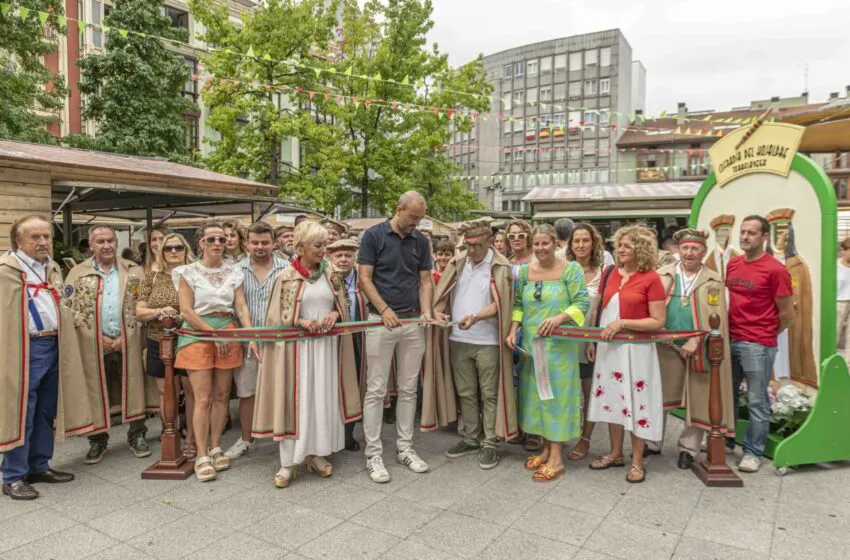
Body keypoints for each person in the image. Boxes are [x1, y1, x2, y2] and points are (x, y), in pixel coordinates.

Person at [252, 221, 362, 488]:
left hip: (325, 349)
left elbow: (342, 305)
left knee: (321, 398)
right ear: (301, 247)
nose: (324, 250)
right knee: (295, 400)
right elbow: (275, 316)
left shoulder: (331, 274)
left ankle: (317, 453)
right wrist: (300, 322)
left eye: (324, 245)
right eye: (318, 245)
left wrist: (335, 314)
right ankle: (288, 462)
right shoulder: (286, 276)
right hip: (295, 352)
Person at [0, 216, 88, 500]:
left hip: (53, 343)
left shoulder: (51, 268)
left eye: (46, 237)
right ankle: (12, 476)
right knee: (21, 411)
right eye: (34, 237)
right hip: (23, 347)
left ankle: (38, 465)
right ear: (18, 242)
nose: (42, 242)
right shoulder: (5, 271)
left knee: (45, 410)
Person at [174, 221, 258, 482]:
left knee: (223, 395)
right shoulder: (187, 272)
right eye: (211, 240)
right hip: (198, 333)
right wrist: (213, 333)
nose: (218, 244)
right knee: (202, 398)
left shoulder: (234, 272)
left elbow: (241, 307)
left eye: (222, 239)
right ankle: (201, 454)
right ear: (201, 243)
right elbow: (186, 310)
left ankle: (216, 445)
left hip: (229, 330)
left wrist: (250, 335)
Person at [358, 190, 433, 483]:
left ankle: (405, 448)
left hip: (412, 319)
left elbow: (425, 280)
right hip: (380, 320)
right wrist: (383, 308)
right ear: (399, 209)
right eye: (413, 217)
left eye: (420, 218)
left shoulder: (421, 241)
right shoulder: (373, 236)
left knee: (409, 388)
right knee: (376, 389)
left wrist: (426, 310)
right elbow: (365, 277)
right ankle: (373, 454)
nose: (416, 223)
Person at [64, 225, 155, 465]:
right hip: (93, 342)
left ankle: (137, 434)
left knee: (135, 385)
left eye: (110, 241)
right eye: (100, 242)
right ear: (91, 245)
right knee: (94, 388)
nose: (106, 246)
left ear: (116, 243)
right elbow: (69, 309)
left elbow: (144, 304)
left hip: (129, 339)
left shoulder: (134, 271)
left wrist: (126, 337)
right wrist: (97, 337)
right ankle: (97, 440)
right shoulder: (77, 273)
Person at [431, 219, 518, 470]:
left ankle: (490, 442)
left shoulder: (501, 266)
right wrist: (439, 310)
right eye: (469, 246)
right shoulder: (457, 262)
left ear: (490, 242)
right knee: (466, 393)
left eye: (478, 246)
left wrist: (477, 316)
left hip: (488, 340)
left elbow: (503, 302)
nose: (473, 251)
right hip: (458, 338)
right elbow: (443, 292)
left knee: (489, 393)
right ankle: (471, 437)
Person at [506, 223, 589, 481]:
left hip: (559, 348)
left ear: (555, 244)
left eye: (546, 243)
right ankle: (545, 448)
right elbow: (519, 304)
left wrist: (560, 318)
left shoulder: (570, 269)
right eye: (537, 244)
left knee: (555, 398)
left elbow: (582, 302)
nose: (541, 248)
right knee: (536, 397)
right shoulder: (524, 271)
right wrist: (513, 330)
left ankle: (556, 457)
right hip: (533, 346)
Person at [587, 224, 667, 483]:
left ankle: (637, 461)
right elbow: (600, 309)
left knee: (636, 401)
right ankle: (614, 453)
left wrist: (623, 323)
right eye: (619, 245)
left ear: (640, 249)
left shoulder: (651, 278)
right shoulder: (609, 272)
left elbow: (657, 321)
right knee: (613, 398)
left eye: (626, 246)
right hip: (609, 348)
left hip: (637, 351)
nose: (620, 250)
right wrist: (592, 339)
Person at [656, 229, 735, 469]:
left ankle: (688, 449)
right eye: (685, 248)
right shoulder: (662, 275)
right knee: (658, 394)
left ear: (704, 251)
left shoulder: (713, 280)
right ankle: (651, 442)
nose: (689, 253)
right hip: (664, 345)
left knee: (698, 396)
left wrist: (698, 340)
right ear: (678, 250)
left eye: (695, 249)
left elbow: (717, 318)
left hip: (697, 348)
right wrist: (662, 335)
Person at [726, 215, 793, 473]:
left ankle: (753, 452)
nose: (744, 237)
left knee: (756, 400)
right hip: (730, 338)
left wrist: (765, 336)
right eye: (742, 232)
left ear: (764, 237)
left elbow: (787, 314)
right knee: (728, 395)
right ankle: (728, 441)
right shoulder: (733, 265)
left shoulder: (775, 270)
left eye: (751, 233)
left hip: (758, 343)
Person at [225, 222, 289, 460]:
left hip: (279, 341)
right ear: (247, 243)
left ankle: (284, 436)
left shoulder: (287, 268)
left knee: (282, 390)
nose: (260, 247)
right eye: (255, 242)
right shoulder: (235, 270)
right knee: (246, 392)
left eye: (265, 242)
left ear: (274, 242)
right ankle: (246, 439)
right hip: (246, 342)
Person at [136, 233, 198, 458]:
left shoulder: (194, 275)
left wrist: (180, 315)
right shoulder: (151, 278)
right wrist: (158, 312)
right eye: (168, 248)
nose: (173, 252)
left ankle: (192, 437)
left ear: (185, 250)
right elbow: (139, 311)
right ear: (161, 252)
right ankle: (169, 431)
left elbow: (202, 307)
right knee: (165, 391)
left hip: (187, 339)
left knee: (191, 391)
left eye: (178, 248)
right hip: (158, 341)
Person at [565, 223, 607, 462]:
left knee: (589, 391)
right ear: (570, 245)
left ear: (594, 243)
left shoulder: (605, 271)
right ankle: (558, 434)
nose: (581, 245)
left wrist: (592, 340)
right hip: (566, 339)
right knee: (564, 390)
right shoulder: (564, 269)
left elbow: (601, 309)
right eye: (576, 241)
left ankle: (586, 438)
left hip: (591, 341)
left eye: (585, 240)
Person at [766, 208, 816, 385]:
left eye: (787, 235)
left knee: (786, 347)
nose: (783, 238)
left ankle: (786, 378)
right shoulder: (766, 258)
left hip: (787, 313)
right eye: (780, 234)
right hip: (768, 313)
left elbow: (802, 290)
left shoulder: (797, 263)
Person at [328, 238, 367, 451]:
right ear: (330, 257)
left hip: (358, 338)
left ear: (354, 257)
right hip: (333, 340)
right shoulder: (325, 278)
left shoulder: (363, 277)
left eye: (348, 256)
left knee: (353, 386)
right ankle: (330, 434)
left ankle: (348, 434)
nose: (343, 260)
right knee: (332, 387)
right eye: (338, 256)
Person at [705, 214, 739, 281]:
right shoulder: (709, 260)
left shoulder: (737, 257)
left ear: (729, 236)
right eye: (719, 234)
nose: (722, 238)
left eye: (724, 234)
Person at [838, 237, 850, 362]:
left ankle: (848, 366)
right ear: (843, 251)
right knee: (835, 332)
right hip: (839, 302)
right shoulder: (835, 266)